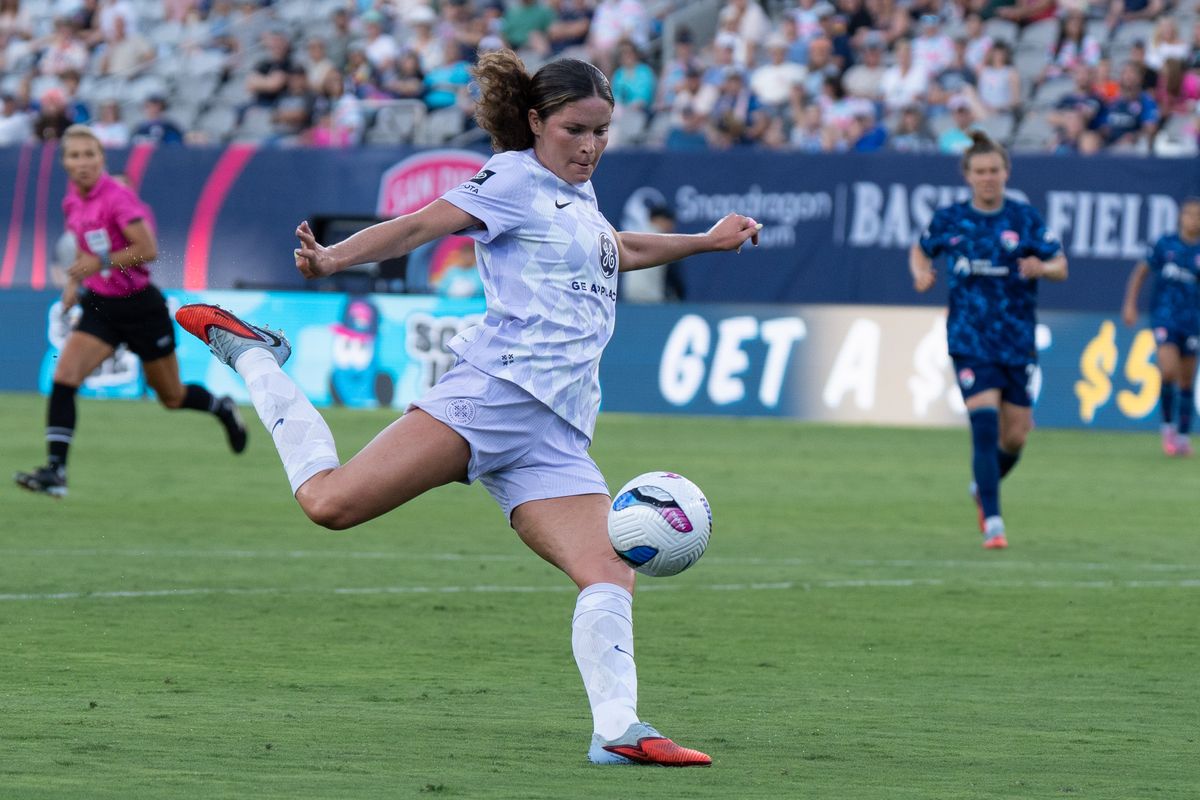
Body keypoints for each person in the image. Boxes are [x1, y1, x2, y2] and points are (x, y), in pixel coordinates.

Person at [174, 51, 761, 767]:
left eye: (603, 131)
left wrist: (705, 241)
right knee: (328, 504)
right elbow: (420, 225)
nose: (591, 146)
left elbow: (618, 248)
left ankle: (619, 730)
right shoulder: (513, 177)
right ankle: (255, 355)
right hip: (493, 397)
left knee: (609, 574)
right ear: (537, 121)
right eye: (577, 129)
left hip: (556, 431)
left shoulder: (579, 200)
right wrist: (333, 260)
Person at [14, 125, 248, 498]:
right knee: (65, 378)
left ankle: (221, 408)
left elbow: (148, 249)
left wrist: (99, 262)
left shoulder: (118, 198)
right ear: (64, 163)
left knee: (171, 397)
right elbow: (81, 249)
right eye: (74, 156)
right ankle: (56, 471)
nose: (83, 162)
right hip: (101, 305)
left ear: (101, 159)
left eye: (90, 155)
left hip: (140, 306)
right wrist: (75, 283)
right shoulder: (72, 200)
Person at [909, 131, 1068, 549]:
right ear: (967, 175)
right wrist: (921, 273)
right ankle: (994, 522)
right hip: (969, 338)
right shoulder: (950, 219)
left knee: (1015, 436)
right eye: (980, 171)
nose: (987, 178)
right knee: (983, 424)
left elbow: (1061, 265)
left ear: (1006, 172)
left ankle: (984, 484)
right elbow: (921, 250)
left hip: (1016, 339)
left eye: (994, 170)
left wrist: (1042, 267)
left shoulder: (1024, 218)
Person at [1120, 197, 1200, 456]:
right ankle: (1167, 427)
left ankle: (1183, 436)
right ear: (1181, 216)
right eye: (1189, 213)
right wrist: (1130, 304)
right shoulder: (1164, 244)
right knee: (1168, 371)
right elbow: (1141, 272)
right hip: (1165, 317)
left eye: (1197, 215)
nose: (1192, 219)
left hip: (1193, 320)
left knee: (1187, 380)